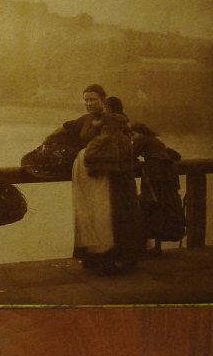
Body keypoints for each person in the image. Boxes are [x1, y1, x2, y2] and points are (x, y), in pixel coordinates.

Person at [44, 85, 145, 275]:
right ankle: (93, 256)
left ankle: (110, 258)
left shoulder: (113, 120)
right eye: (86, 100)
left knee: (106, 216)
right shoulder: (86, 120)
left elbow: (122, 144)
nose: (89, 103)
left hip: (106, 173)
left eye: (93, 100)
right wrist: (45, 143)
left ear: (103, 101)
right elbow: (65, 128)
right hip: (87, 175)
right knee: (89, 215)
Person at [131, 122, 185, 255]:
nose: (131, 138)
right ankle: (157, 246)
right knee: (161, 206)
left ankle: (145, 247)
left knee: (149, 205)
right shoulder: (155, 141)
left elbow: (130, 155)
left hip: (153, 175)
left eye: (132, 134)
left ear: (140, 133)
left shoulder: (143, 140)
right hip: (166, 175)